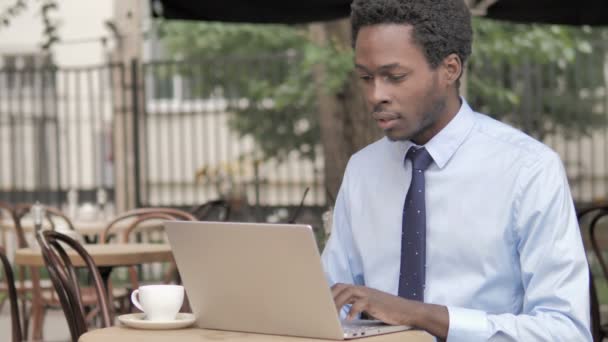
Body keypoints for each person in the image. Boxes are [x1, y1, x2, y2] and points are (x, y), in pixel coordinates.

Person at [320, 0, 591, 341]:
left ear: (450, 69)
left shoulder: (528, 170)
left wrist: (421, 315)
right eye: (365, 77)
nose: (376, 95)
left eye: (395, 76)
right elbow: (331, 300)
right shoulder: (362, 170)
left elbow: (566, 331)